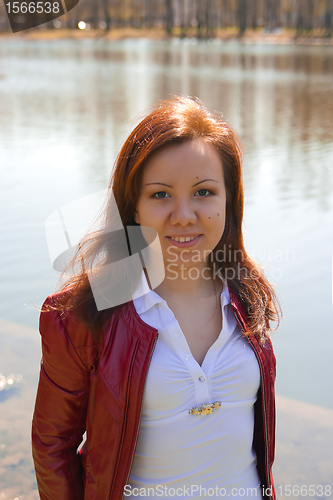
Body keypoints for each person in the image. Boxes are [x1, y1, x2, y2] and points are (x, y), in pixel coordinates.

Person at [32, 96, 280, 500]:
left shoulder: (247, 295)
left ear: (229, 200)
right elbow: (52, 448)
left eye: (204, 192)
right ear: (133, 208)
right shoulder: (81, 316)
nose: (183, 214)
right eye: (161, 195)